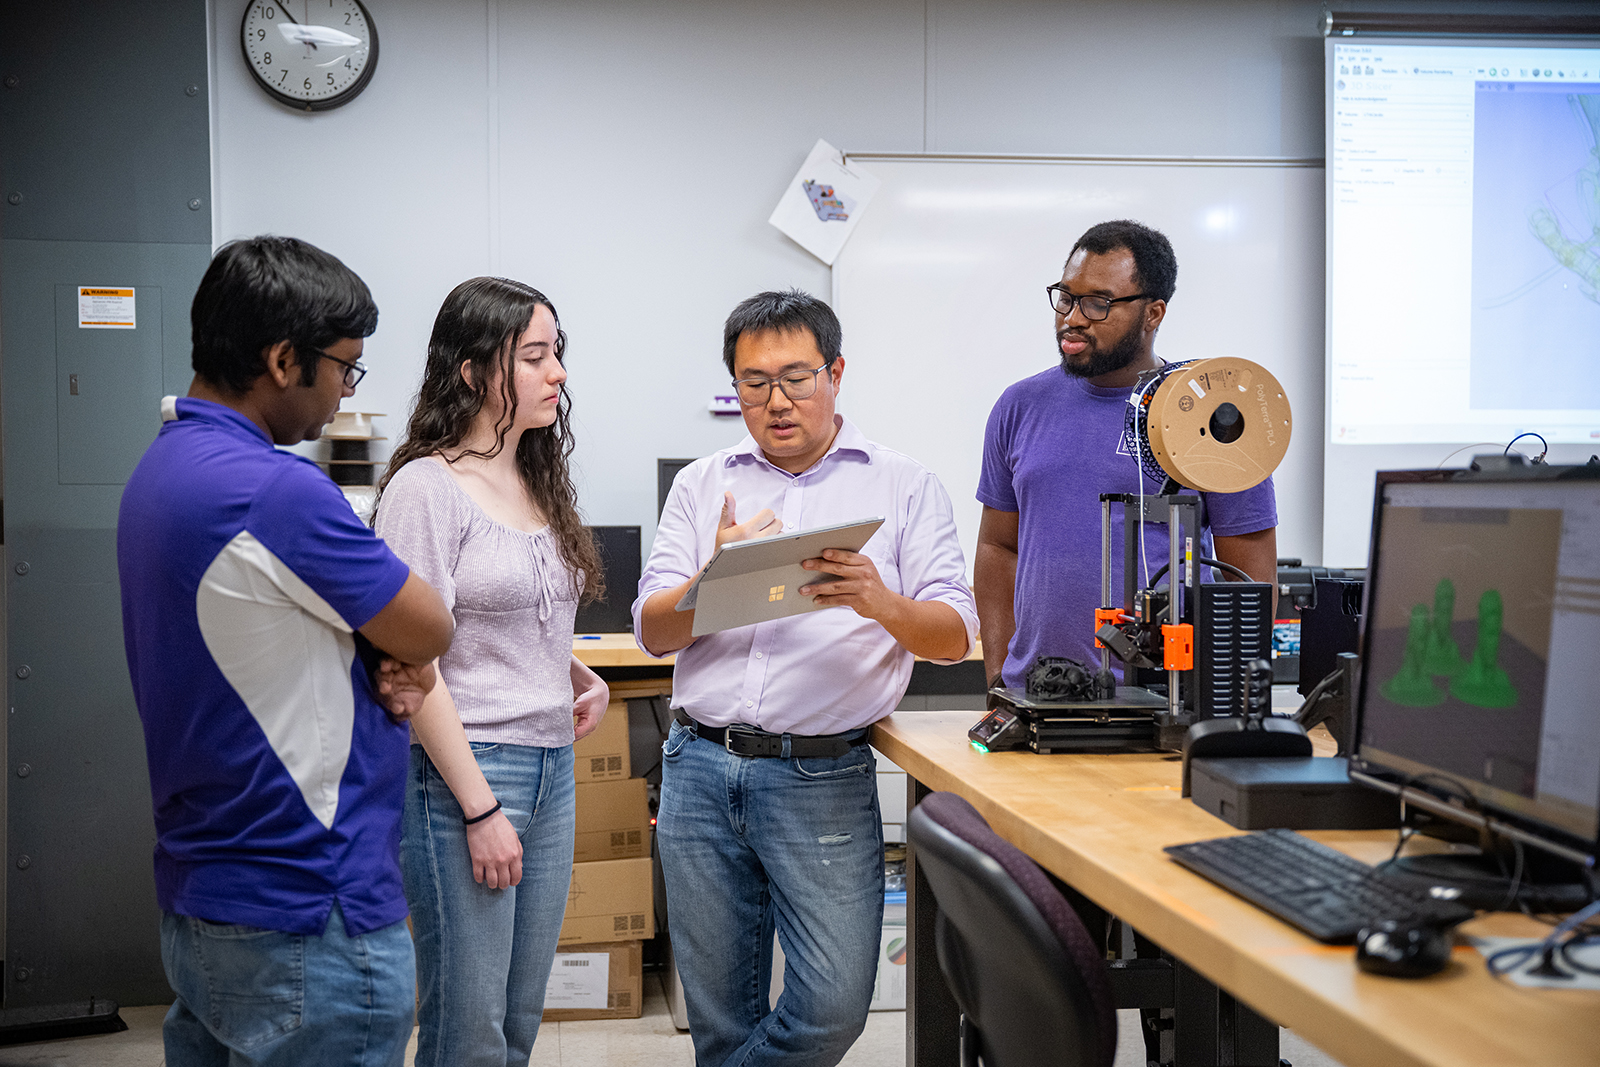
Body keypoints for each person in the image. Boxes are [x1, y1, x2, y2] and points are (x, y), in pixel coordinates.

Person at [117, 235, 455, 1067]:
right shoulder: (275, 488)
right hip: (312, 909)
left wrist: (365, 654)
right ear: (280, 359)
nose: (346, 390)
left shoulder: (159, 473)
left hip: (205, 898)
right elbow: (428, 626)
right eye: (345, 367)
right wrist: (393, 653)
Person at [634, 289, 978, 1067]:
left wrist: (878, 600)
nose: (777, 401)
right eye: (754, 383)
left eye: (797, 377)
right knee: (720, 1018)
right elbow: (653, 632)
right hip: (699, 766)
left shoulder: (903, 484)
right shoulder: (702, 484)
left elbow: (955, 634)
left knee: (829, 1005)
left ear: (837, 371)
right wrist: (712, 582)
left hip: (818, 773)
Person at [371, 277, 610, 1067]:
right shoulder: (426, 488)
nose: (558, 374)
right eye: (535, 356)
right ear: (473, 371)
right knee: (467, 1031)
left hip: (551, 767)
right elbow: (412, 657)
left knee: (516, 1023)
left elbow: (497, 614)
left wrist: (571, 671)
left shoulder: (534, 473)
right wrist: (478, 808)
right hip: (467, 774)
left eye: (558, 354)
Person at [975, 219, 1279, 692]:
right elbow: (998, 548)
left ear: (1153, 313)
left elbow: (1249, 581)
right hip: (1037, 696)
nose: (1072, 318)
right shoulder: (1019, 406)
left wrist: (1217, 703)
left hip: (1166, 703)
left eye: (1099, 303)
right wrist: (997, 678)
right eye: (1066, 297)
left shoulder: (1215, 420)